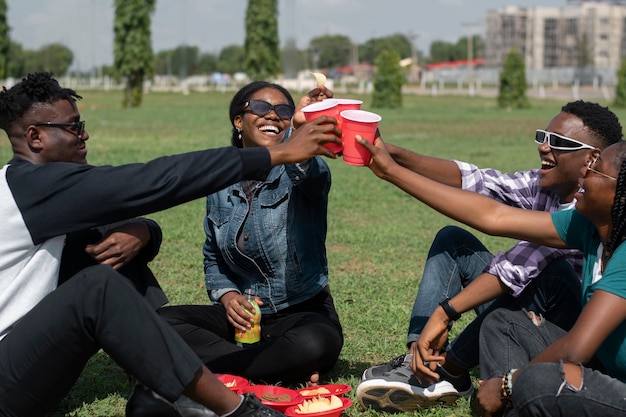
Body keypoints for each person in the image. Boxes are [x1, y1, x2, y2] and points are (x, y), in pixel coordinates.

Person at [0, 72, 341, 417]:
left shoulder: (38, 189)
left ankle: (173, 376)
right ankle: (238, 409)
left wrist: (143, 231)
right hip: (8, 382)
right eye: (74, 127)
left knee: (108, 272)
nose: (84, 133)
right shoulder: (33, 188)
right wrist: (278, 153)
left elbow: (118, 213)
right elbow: (158, 180)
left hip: (299, 315)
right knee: (102, 290)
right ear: (35, 136)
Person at [356, 101, 623, 412]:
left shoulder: (598, 228)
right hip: (552, 327)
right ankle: (424, 360)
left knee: (545, 273)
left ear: (591, 159)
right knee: (465, 258)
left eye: (559, 143)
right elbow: (488, 208)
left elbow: (523, 269)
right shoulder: (575, 215)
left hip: (573, 330)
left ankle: (449, 370)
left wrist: (447, 312)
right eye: (542, 137)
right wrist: (391, 161)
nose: (544, 147)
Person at [158, 81, 344, 387]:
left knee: (314, 344)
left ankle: (214, 371)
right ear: (238, 121)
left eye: (282, 111)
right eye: (260, 107)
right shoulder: (220, 180)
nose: (272, 116)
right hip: (244, 319)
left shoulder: (302, 171)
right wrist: (228, 295)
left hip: (302, 313)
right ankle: (269, 366)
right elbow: (212, 255)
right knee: (162, 322)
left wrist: (300, 129)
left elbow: (308, 171)